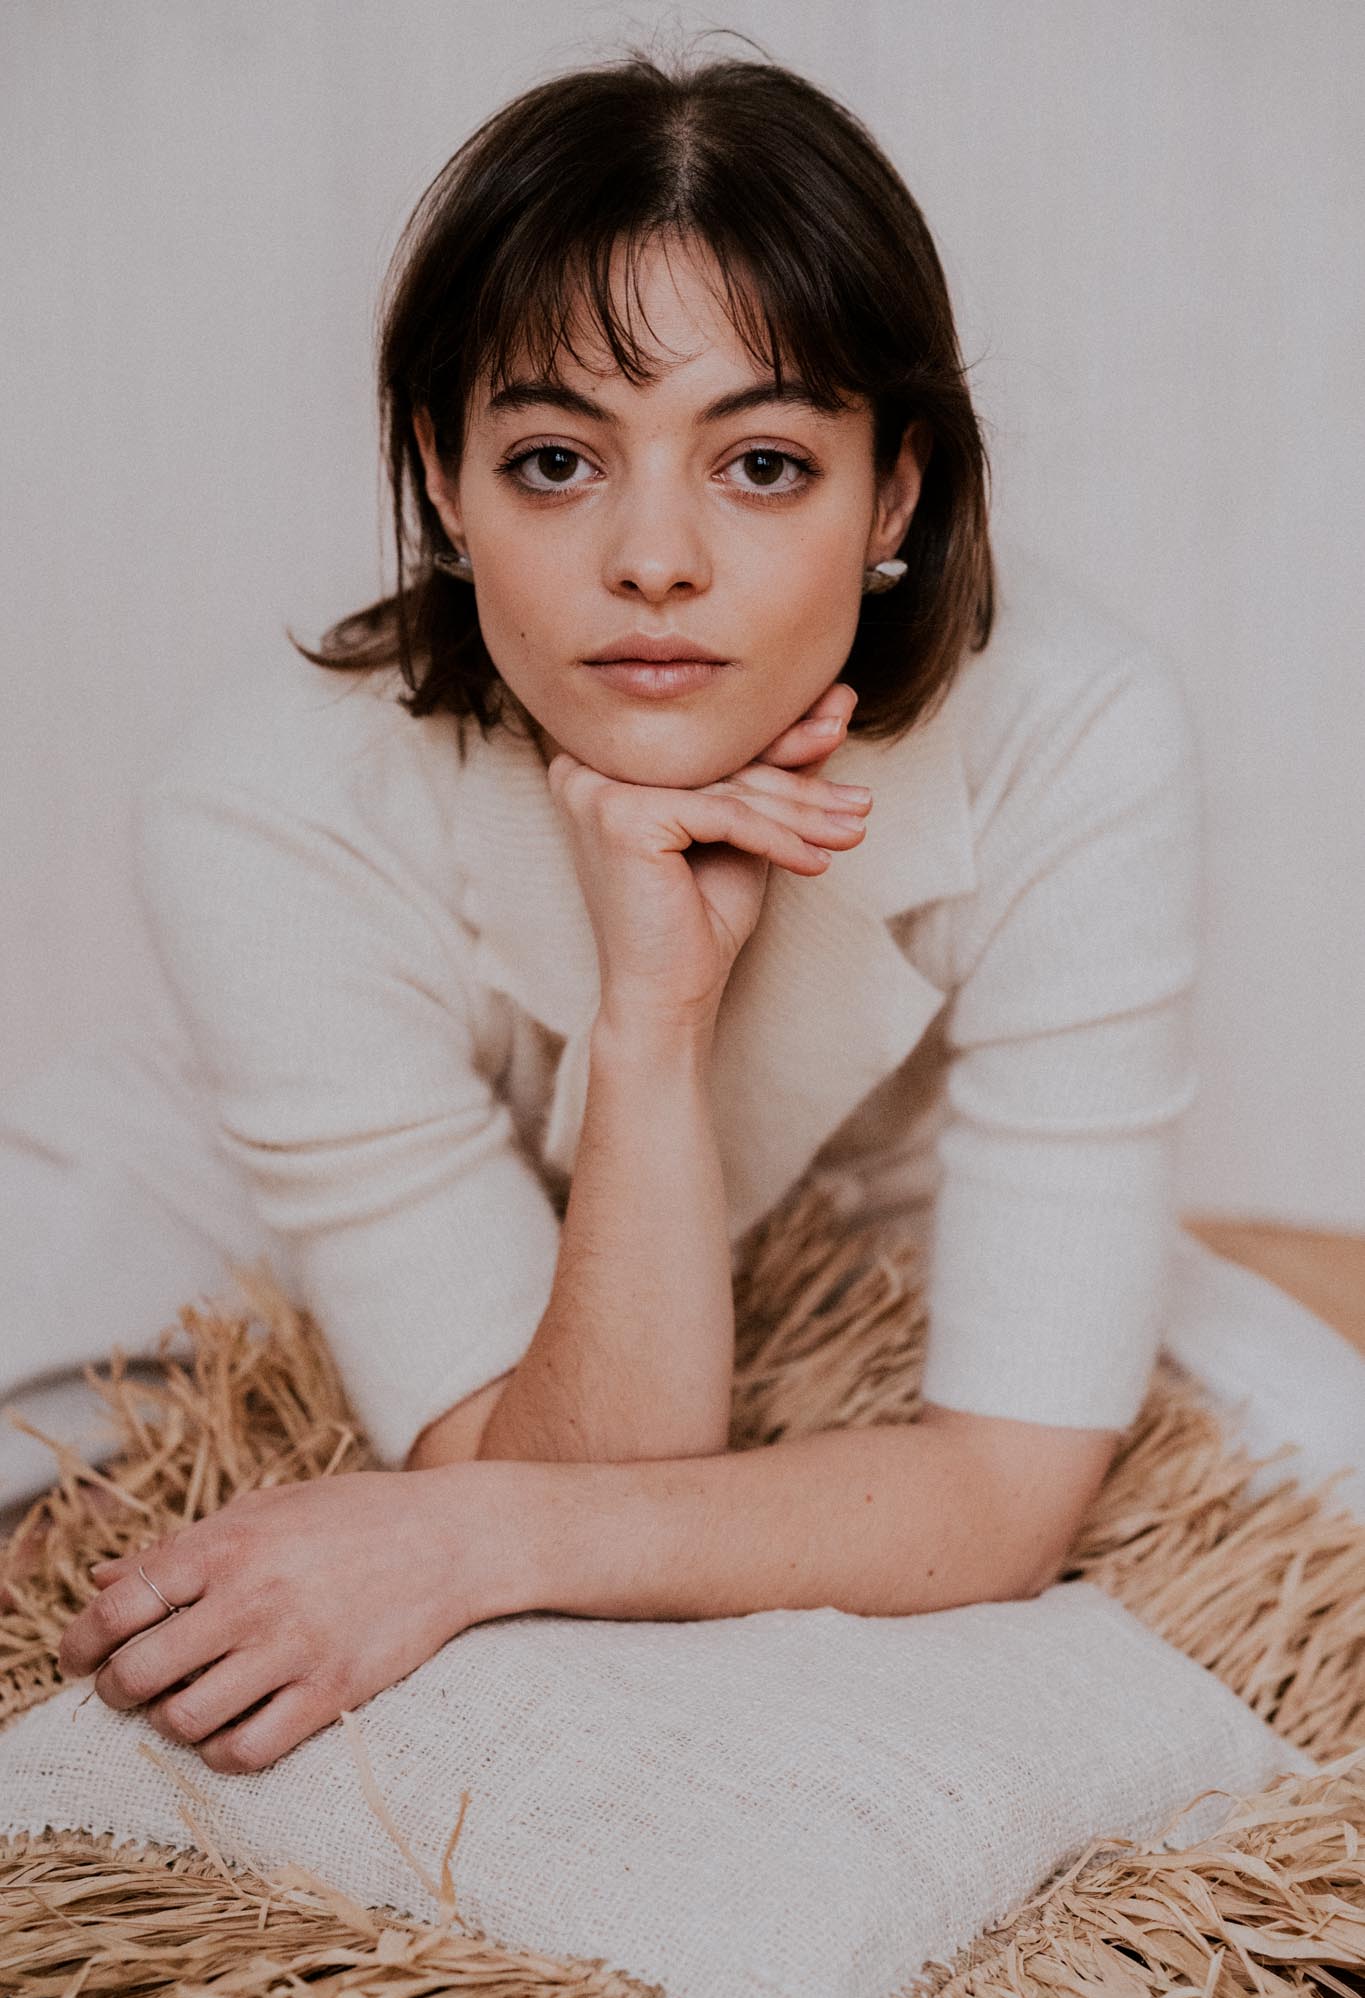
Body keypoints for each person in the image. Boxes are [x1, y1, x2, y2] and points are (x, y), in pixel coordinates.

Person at [5, 47, 1204, 1774]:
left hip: (850, 1222)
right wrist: (654, 1016)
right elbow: (548, 1450)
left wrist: (463, 1536)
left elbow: (1005, 1494)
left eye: (762, 463)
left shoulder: (1072, 731)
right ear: (442, 479)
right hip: (254, 1203)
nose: (653, 559)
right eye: (558, 460)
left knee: (1307, 1431)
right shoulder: (262, 802)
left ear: (896, 491)